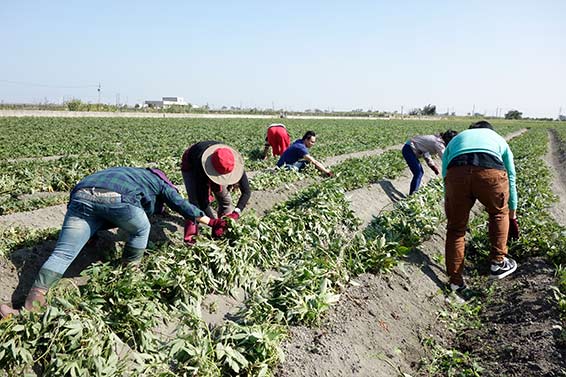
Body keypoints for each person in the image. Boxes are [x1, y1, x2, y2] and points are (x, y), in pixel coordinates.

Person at [0, 167, 226, 318]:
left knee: (62, 253)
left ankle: (29, 308)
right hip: (118, 198)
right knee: (141, 228)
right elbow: (181, 205)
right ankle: (128, 278)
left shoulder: (128, 173)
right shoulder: (159, 182)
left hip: (81, 194)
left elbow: (99, 207)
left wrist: (92, 234)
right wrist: (211, 221)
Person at [442, 120, 520, 294]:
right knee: (498, 214)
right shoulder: (497, 138)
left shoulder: (457, 139)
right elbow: (512, 177)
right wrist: (512, 214)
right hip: (490, 172)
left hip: (457, 174)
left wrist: (450, 206)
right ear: (489, 131)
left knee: (456, 229)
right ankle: (498, 263)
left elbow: (446, 176)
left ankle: (456, 282)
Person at [181, 141, 251, 244]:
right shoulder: (199, 166)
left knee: (225, 199)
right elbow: (202, 201)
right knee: (194, 204)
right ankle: (191, 238)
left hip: (217, 165)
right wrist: (214, 223)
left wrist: (236, 213)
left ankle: (225, 229)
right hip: (192, 163)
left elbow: (246, 192)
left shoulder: (231, 161)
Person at [402, 130, 458, 195]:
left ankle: (413, 193)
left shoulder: (437, 139)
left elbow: (425, 152)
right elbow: (444, 158)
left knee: (419, 173)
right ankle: (412, 195)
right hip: (409, 149)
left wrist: (432, 166)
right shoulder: (438, 143)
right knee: (418, 173)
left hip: (411, 149)